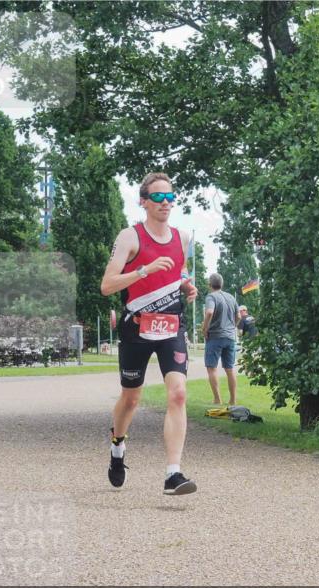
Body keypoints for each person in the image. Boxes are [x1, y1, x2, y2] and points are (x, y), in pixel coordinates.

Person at [99, 172, 198, 495]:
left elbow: (177, 269)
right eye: (158, 197)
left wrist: (184, 284)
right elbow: (107, 285)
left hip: (171, 325)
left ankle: (173, 473)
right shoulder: (130, 237)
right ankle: (117, 448)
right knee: (131, 397)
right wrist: (142, 271)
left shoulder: (183, 238)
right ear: (143, 201)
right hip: (136, 325)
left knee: (178, 393)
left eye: (170, 197)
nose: (165, 203)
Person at [201, 273, 240, 405]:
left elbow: (209, 312)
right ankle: (233, 400)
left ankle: (217, 399)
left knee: (211, 368)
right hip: (230, 337)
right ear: (222, 284)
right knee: (229, 369)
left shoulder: (211, 297)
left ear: (209, 285)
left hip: (215, 336)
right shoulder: (230, 297)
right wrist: (232, 326)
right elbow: (239, 315)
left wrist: (204, 328)